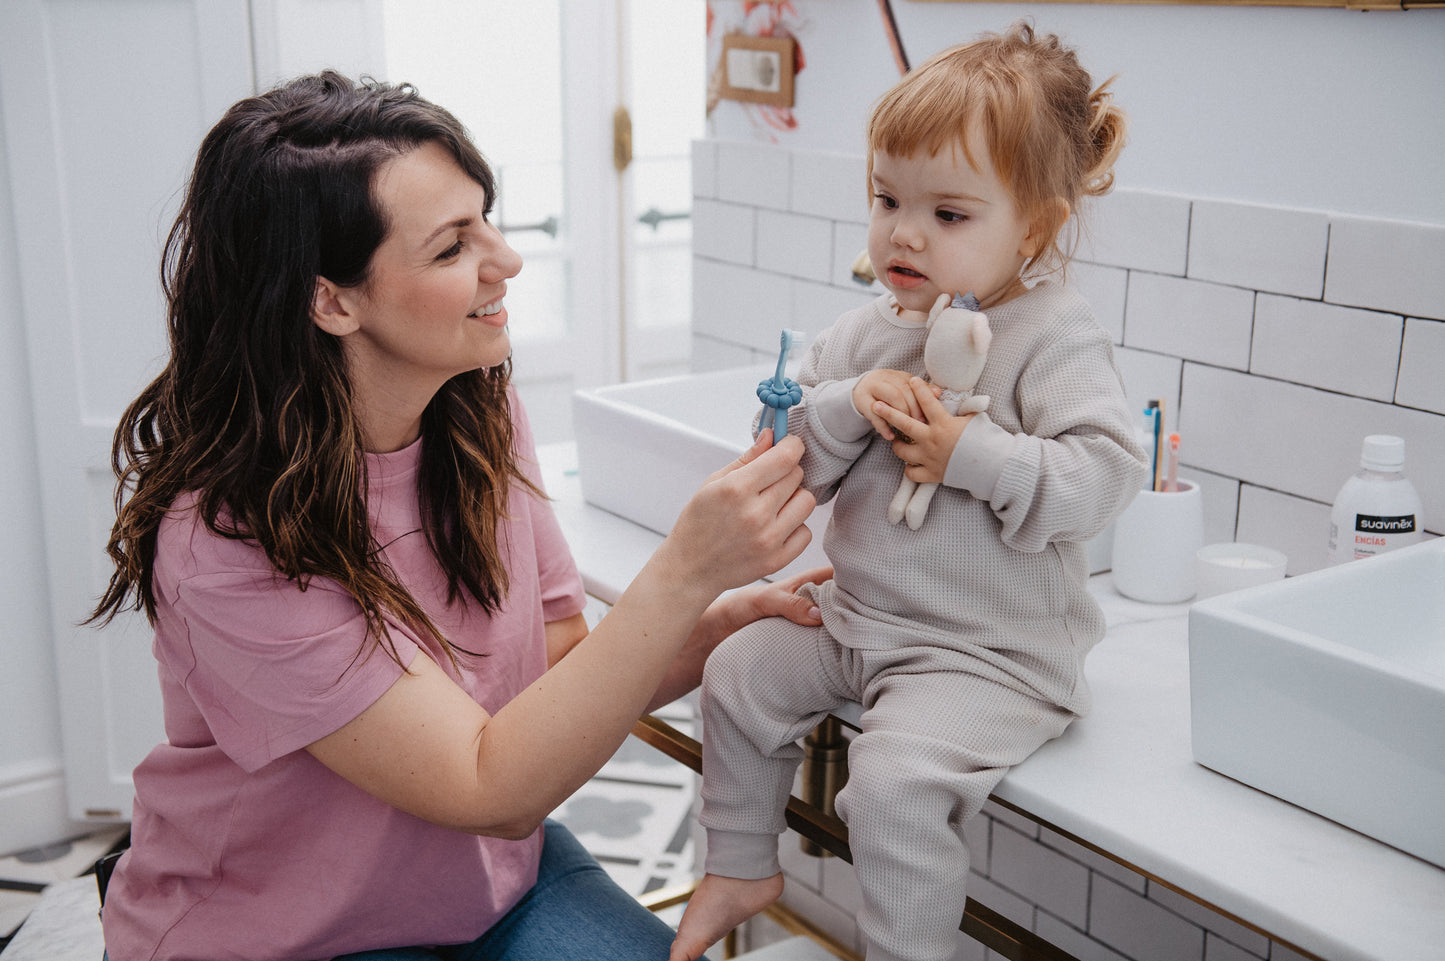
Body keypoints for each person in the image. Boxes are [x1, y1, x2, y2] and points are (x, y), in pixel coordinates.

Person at [87, 71, 823, 961]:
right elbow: (488, 783)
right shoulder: (225, 540)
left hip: (486, 883)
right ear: (332, 300)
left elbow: (552, 672)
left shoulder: (476, 413)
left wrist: (713, 626)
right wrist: (683, 570)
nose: (505, 260)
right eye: (450, 248)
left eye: (487, 217)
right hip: (279, 932)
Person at [670, 23, 1148, 961]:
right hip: (857, 623)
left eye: (949, 214)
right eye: (888, 197)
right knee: (733, 671)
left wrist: (970, 453)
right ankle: (737, 863)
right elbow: (782, 463)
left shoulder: (1054, 336)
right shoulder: (862, 335)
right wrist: (845, 405)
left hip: (987, 656)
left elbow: (1104, 479)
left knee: (888, 790)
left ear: (1036, 226)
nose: (903, 231)